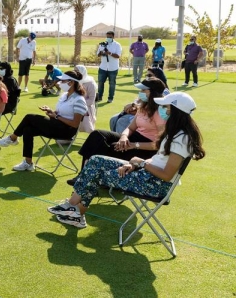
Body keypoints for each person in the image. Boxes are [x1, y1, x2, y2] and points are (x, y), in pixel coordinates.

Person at [48, 91, 205, 229]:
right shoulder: (177, 132)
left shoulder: (181, 139)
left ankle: (76, 212)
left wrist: (141, 163)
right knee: (96, 161)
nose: (163, 110)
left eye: (166, 108)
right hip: (146, 175)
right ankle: (73, 208)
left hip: (153, 185)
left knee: (96, 173)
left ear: (176, 111)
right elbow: (159, 158)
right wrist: (134, 164)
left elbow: (166, 175)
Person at [0, 70, 88, 171]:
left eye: (63, 81)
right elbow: (61, 113)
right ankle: (28, 163)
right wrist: (51, 112)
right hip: (56, 125)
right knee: (28, 129)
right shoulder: (64, 95)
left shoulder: (79, 100)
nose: (59, 83)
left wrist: (56, 117)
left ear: (71, 83)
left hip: (66, 131)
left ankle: (13, 138)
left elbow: (75, 124)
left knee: (29, 117)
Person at [77, 77, 167, 171]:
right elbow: (131, 128)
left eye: (143, 90)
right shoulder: (144, 107)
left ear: (153, 92)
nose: (140, 92)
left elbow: (159, 144)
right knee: (97, 135)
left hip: (145, 148)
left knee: (111, 147)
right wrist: (124, 136)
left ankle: (90, 176)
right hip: (134, 138)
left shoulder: (161, 112)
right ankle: (83, 173)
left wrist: (134, 145)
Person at [97, 31, 122, 103]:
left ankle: (110, 98)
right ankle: (99, 97)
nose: (108, 38)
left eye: (110, 37)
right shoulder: (102, 44)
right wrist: (101, 53)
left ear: (113, 37)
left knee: (112, 83)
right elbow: (98, 54)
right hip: (103, 67)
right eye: (107, 37)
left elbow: (118, 56)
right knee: (100, 83)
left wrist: (109, 53)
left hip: (113, 68)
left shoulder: (117, 45)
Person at [74, 65, 98, 133]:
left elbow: (91, 101)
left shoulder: (90, 83)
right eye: (74, 71)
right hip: (74, 106)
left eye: (77, 71)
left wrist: (79, 103)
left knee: (85, 116)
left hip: (87, 108)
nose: (75, 73)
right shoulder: (74, 82)